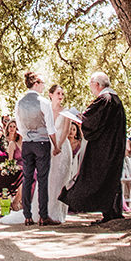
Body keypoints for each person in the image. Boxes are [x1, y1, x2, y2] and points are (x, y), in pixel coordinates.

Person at [59, 71, 128, 223]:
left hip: (104, 149)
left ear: (97, 84)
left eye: (91, 84)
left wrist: (79, 118)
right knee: (111, 179)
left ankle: (110, 213)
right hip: (113, 147)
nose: (91, 87)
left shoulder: (105, 99)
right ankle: (111, 213)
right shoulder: (114, 99)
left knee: (100, 178)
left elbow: (90, 120)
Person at [13, 71, 56, 225]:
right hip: (42, 143)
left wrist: (26, 137)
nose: (44, 86)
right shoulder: (43, 102)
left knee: (27, 178)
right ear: (36, 83)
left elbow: (19, 126)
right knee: (42, 180)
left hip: (27, 143)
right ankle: (43, 216)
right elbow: (50, 128)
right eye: (42, 83)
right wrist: (56, 145)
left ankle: (27, 215)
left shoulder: (19, 102)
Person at [46, 83, 75, 223]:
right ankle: (44, 211)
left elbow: (65, 130)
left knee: (60, 179)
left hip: (62, 148)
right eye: (58, 93)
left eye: (62, 94)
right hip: (48, 146)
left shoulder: (66, 112)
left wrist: (58, 146)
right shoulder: (46, 110)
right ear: (50, 95)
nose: (61, 96)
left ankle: (56, 213)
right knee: (48, 178)